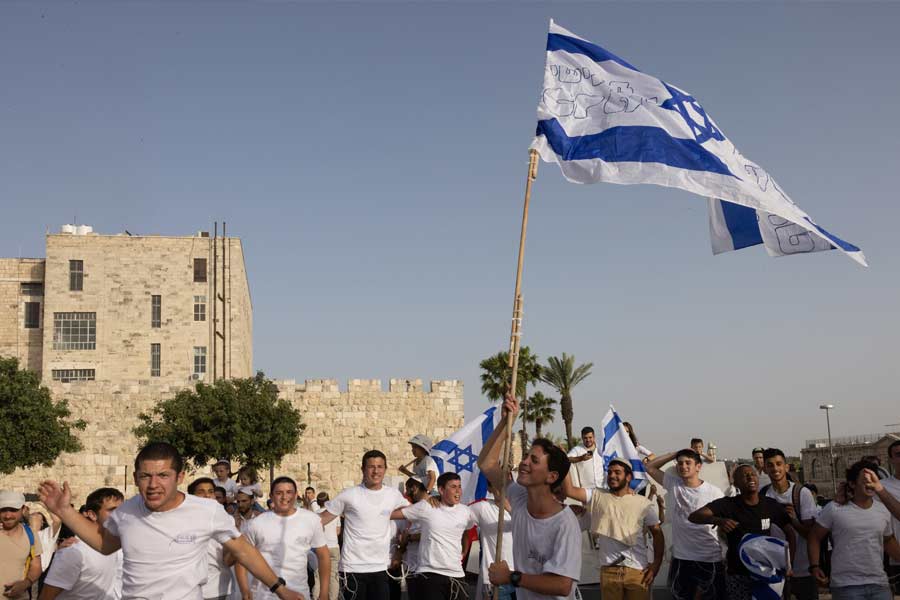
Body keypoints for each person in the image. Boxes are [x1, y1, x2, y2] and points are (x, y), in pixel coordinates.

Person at [38, 441, 305, 600]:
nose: (153, 485)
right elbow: (105, 544)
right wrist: (65, 512)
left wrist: (280, 589)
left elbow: (243, 550)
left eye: (163, 475)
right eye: (145, 476)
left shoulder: (206, 511)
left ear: (179, 477)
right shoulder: (127, 511)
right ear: (135, 477)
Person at [479, 394, 582, 599]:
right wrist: (505, 424)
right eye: (526, 456)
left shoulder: (565, 523)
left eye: (534, 460)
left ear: (552, 477)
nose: (524, 462)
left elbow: (562, 585)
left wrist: (511, 577)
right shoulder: (519, 498)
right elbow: (486, 464)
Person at [562, 456, 663, 600]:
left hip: (637, 572)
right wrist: (565, 462)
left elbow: (657, 533)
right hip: (609, 572)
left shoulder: (643, 504)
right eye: (609, 472)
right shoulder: (597, 495)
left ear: (628, 477)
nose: (612, 476)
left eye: (617, 472)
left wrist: (656, 565)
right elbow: (569, 490)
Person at [689, 464, 795, 600]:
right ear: (736, 483)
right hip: (738, 575)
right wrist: (718, 520)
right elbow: (694, 516)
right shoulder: (727, 504)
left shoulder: (770, 504)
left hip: (766, 575)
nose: (750, 476)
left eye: (753, 474)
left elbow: (790, 533)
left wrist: (788, 564)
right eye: (744, 475)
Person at [319, 449, 409, 600]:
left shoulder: (393, 495)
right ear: (363, 469)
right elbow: (321, 519)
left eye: (380, 466)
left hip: (381, 569)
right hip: (353, 569)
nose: (375, 471)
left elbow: (412, 515)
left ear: (385, 469)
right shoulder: (349, 494)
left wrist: (400, 550)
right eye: (371, 466)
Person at [808, 461, 900, 600]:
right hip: (846, 586)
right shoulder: (834, 508)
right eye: (864, 481)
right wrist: (814, 566)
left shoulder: (883, 510)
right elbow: (814, 537)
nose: (870, 485)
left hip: (879, 584)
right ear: (852, 484)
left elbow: (888, 540)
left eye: (873, 480)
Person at [644, 449, 724, 600]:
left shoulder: (714, 492)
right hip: (682, 558)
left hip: (710, 558)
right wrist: (675, 453)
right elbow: (649, 467)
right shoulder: (674, 485)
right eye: (680, 463)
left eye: (688, 463)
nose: (683, 466)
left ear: (698, 466)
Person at [237, 476, 330, 600]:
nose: (284, 497)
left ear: (296, 495)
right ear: (271, 496)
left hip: (299, 593)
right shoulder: (256, 524)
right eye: (279, 493)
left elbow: (323, 555)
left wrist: (324, 593)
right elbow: (241, 557)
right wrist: (244, 590)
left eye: (289, 492)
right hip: (263, 595)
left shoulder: (311, 520)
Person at [390, 472, 476, 600]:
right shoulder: (427, 506)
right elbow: (392, 515)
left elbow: (465, 531)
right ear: (441, 490)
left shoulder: (465, 511)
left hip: (456, 574)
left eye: (459, 486)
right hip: (430, 574)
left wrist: (464, 551)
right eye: (453, 487)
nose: (458, 491)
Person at [39, 487, 124, 600]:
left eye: (122, 509)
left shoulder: (117, 544)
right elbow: (46, 597)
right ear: (92, 515)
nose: (121, 515)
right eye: (112, 510)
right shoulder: (73, 552)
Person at [761, 448, 818, 600]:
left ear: (786, 467)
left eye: (779, 464)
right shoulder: (763, 495)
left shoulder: (801, 493)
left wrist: (792, 519)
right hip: (773, 570)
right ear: (765, 469)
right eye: (770, 465)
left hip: (802, 569)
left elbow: (811, 535)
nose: (775, 468)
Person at [187, 477, 236, 600]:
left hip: (218, 589)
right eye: (201, 492)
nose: (207, 496)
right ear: (192, 496)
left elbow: (228, 560)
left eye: (210, 491)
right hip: (189, 590)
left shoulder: (227, 520)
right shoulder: (183, 520)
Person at [468, 480, 515, 600]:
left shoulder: (522, 508)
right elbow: (457, 516)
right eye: (497, 486)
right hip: (496, 579)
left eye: (504, 486)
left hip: (522, 578)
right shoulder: (483, 508)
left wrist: (509, 508)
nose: (502, 490)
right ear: (489, 489)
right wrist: (436, 499)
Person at [0, 490, 43, 600]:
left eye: (13, 510)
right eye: (3, 510)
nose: (8, 515)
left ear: (23, 510)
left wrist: (25, 583)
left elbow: (36, 566)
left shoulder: (31, 535)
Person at [881, 439, 900, 594]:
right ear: (891, 460)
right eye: (899, 455)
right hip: (894, 559)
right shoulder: (882, 486)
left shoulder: (880, 489)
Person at [315, 492, 341, 600]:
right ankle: (333, 597)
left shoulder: (315, 514)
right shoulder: (335, 514)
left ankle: (317, 597)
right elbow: (338, 532)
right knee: (333, 575)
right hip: (333, 546)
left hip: (320, 547)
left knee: (318, 576)